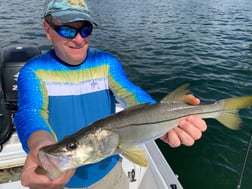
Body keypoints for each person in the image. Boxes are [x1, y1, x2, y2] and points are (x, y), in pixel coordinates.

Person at [14, 0, 207, 188]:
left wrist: (161, 121)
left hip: (108, 175)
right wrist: (41, 145)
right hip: (55, 179)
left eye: (85, 29)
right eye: (68, 30)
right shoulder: (34, 71)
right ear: (48, 29)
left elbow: (132, 95)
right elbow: (31, 112)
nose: (79, 39)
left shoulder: (105, 62)